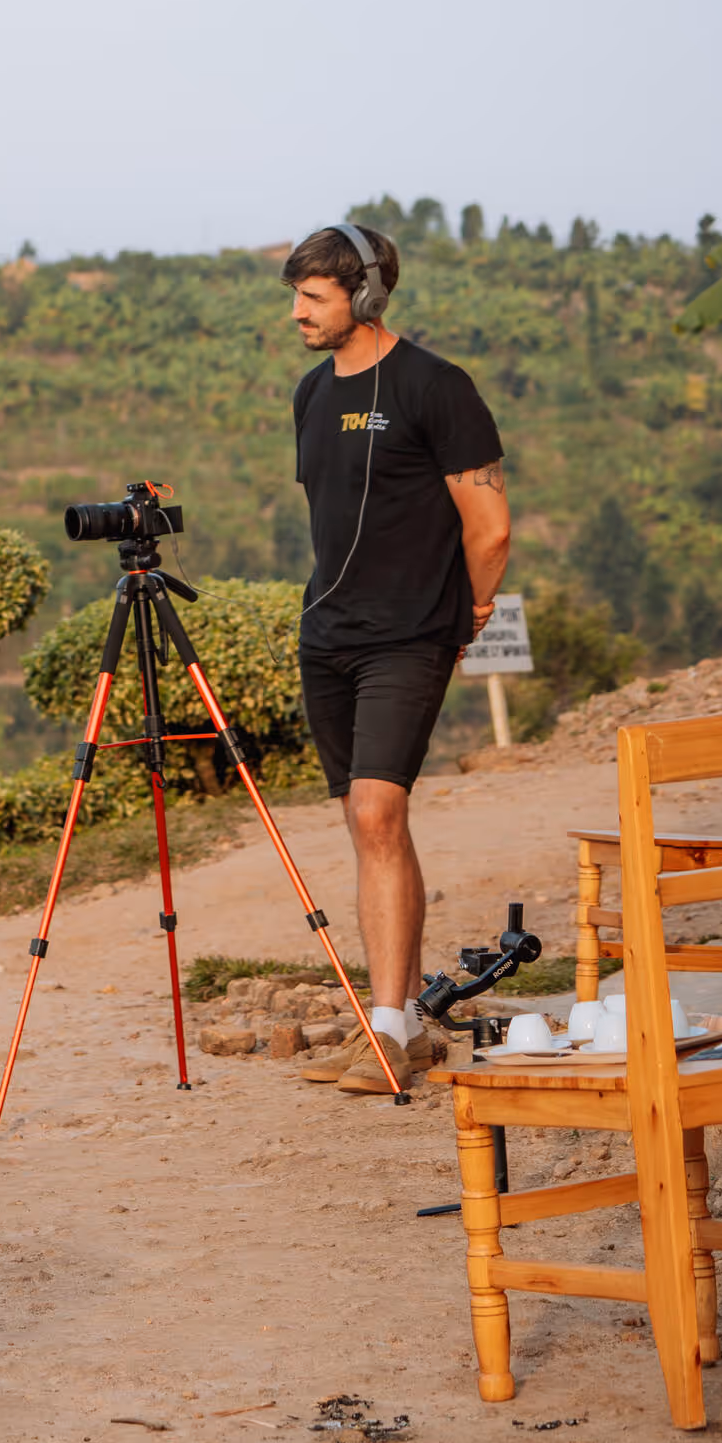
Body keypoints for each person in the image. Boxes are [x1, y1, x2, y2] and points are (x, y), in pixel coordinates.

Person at [280, 225, 511, 1098]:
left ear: (365, 297)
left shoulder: (436, 387)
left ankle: (382, 1034)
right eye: (296, 295)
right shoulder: (309, 393)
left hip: (411, 634)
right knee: (368, 821)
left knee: (378, 811)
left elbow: (489, 527)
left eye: (315, 296)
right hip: (326, 636)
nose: (298, 311)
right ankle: (404, 1020)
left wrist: (471, 611)